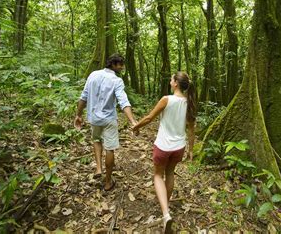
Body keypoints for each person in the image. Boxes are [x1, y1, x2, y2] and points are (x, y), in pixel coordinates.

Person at [132, 71, 196, 233]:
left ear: (176, 83)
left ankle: (166, 213)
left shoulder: (166, 99)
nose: (170, 81)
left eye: (172, 79)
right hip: (179, 147)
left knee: (157, 175)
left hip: (163, 146)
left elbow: (149, 118)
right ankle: (165, 206)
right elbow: (191, 130)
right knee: (171, 173)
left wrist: (136, 127)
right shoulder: (188, 102)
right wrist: (191, 150)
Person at [74, 54, 137, 191]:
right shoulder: (117, 80)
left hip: (94, 118)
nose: (122, 67)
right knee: (110, 149)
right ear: (112, 64)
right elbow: (123, 102)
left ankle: (98, 168)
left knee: (96, 140)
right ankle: (108, 182)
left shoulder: (93, 75)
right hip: (109, 119)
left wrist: (78, 115)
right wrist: (132, 121)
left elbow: (83, 97)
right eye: (119, 64)